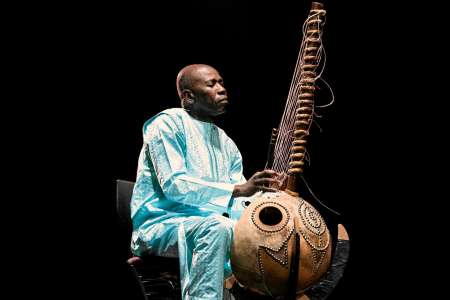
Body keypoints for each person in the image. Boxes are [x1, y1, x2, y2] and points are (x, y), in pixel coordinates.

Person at [130, 64, 285, 300]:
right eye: (212, 84)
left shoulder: (227, 143)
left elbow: (239, 200)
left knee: (256, 234)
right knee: (216, 228)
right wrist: (239, 190)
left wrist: (266, 194)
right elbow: (175, 185)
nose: (222, 89)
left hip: (210, 224)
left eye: (222, 83)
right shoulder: (166, 123)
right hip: (162, 224)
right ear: (188, 97)